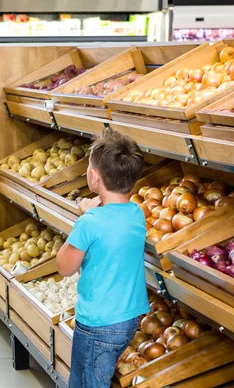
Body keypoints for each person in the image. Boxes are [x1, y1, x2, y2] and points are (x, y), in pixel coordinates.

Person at [56, 129, 149, 388]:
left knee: (86, 383)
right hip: (128, 319)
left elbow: (64, 267)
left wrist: (81, 218)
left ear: (94, 177)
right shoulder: (136, 214)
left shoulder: (90, 222)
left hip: (97, 324)